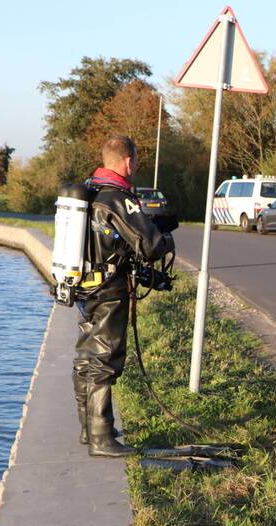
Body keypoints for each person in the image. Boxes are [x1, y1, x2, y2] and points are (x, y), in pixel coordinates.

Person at [73, 135, 176, 457]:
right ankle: (102, 439)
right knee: (104, 358)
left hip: (83, 287)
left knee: (86, 357)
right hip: (109, 291)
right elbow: (151, 245)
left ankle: (89, 429)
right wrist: (166, 237)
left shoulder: (89, 192)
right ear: (128, 160)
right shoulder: (118, 198)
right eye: (136, 161)